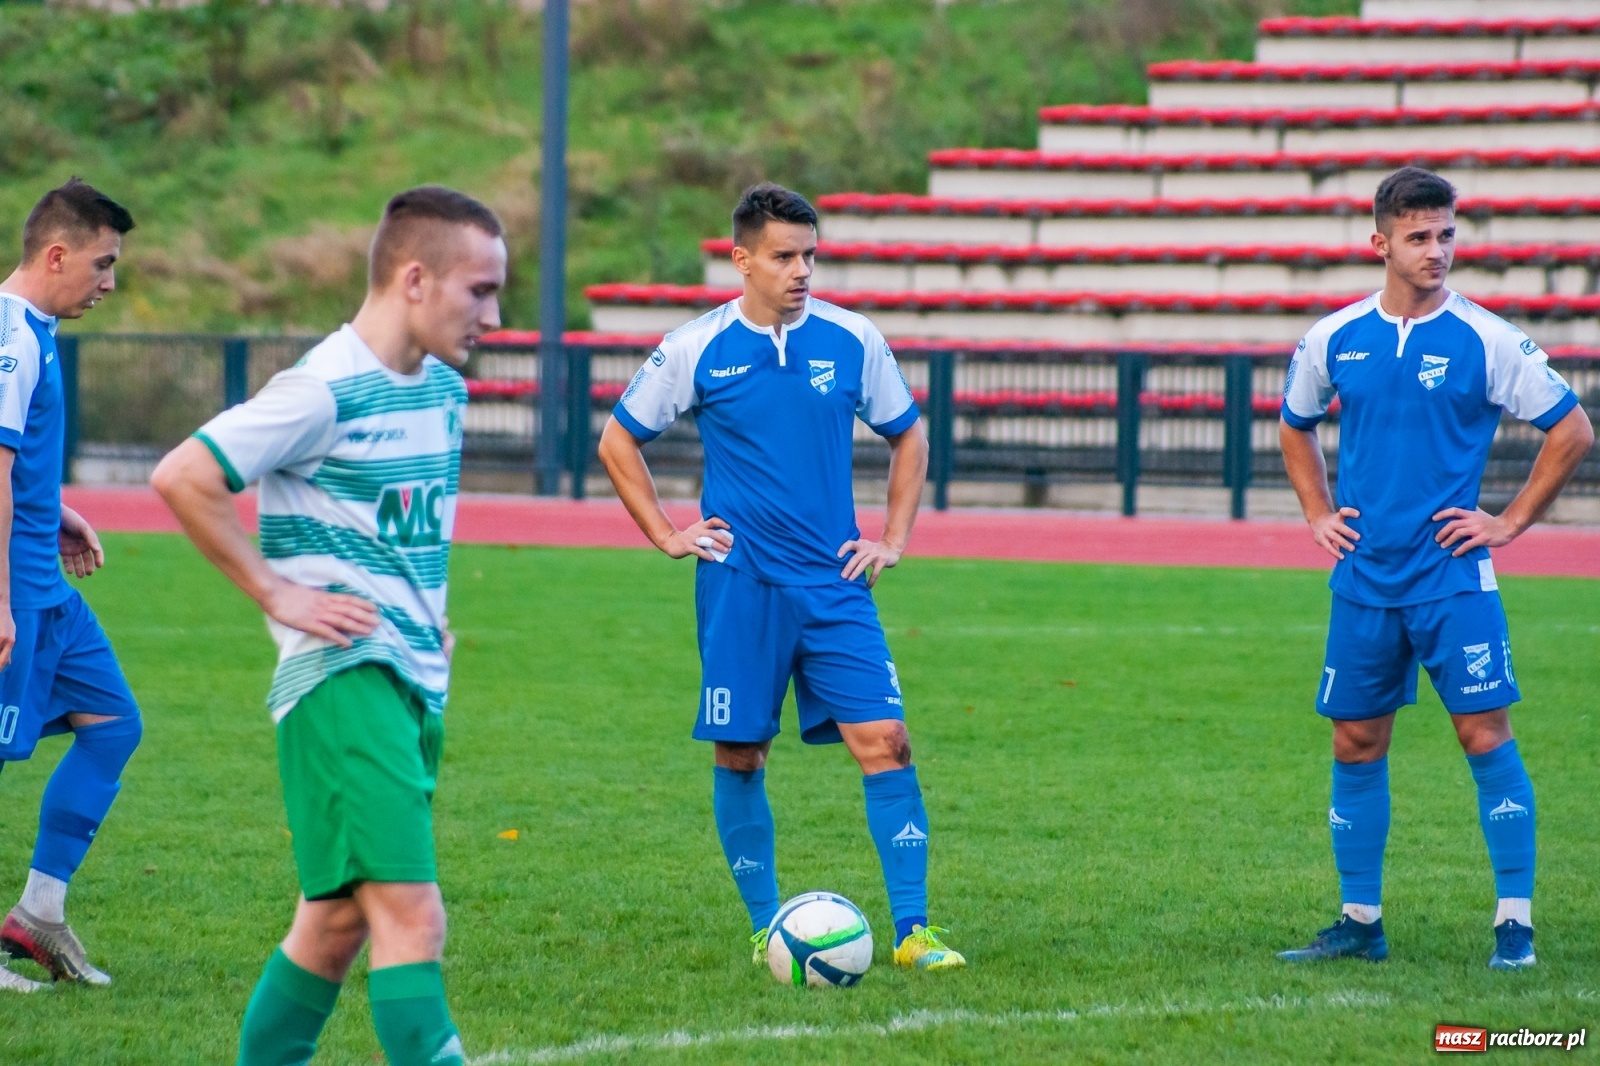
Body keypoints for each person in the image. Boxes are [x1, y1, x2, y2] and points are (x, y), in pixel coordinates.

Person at [151, 186, 504, 1065]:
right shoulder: (322, 389)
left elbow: (402, 536)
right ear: (415, 279)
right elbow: (183, 475)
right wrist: (276, 594)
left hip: (411, 681)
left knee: (334, 925)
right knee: (413, 915)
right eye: (480, 291)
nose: (494, 315)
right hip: (343, 681)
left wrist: (433, 624)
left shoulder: (445, 395)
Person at [598, 182, 965, 972]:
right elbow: (618, 443)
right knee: (741, 754)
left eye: (810, 255)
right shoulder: (696, 347)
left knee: (888, 743)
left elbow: (909, 436)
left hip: (835, 587)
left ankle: (912, 933)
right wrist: (667, 534)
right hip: (741, 586)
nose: (802, 270)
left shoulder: (852, 338)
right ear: (742, 261)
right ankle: (769, 926)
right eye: (784, 256)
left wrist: (892, 539)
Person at [1277, 166, 1593, 970]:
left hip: (1453, 577)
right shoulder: (1333, 336)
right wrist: (1317, 512)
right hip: (1364, 579)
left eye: (1447, 234)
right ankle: (1358, 922)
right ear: (1379, 242)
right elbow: (1294, 423)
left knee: (1483, 733)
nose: (1437, 250)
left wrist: (1509, 521)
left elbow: (1572, 430)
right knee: (1354, 741)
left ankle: (1514, 924)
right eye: (1419, 237)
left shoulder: (1487, 338)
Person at [0, 178, 140, 994]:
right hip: (17, 594)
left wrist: (61, 513)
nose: (109, 283)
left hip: (46, 589)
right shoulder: (13, 339)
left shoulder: (36, 330)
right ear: (57, 254)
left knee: (114, 724)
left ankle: (38, 915)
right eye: (102, 263)